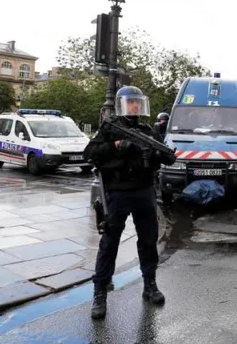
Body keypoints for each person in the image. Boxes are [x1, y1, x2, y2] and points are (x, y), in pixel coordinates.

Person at [83, 86, 177, 320]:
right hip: (118, 193)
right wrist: (116, 146)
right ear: (121, 104)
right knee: (110, 242)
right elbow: (89, 152)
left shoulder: (147, 130)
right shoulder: (110, 129)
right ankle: (100, 292)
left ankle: (150, 284)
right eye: (130, 102)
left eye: (137, 102)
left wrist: (161, 154)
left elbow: (164, 156)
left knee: (148, 240)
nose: (135, 106)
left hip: (144, 191)